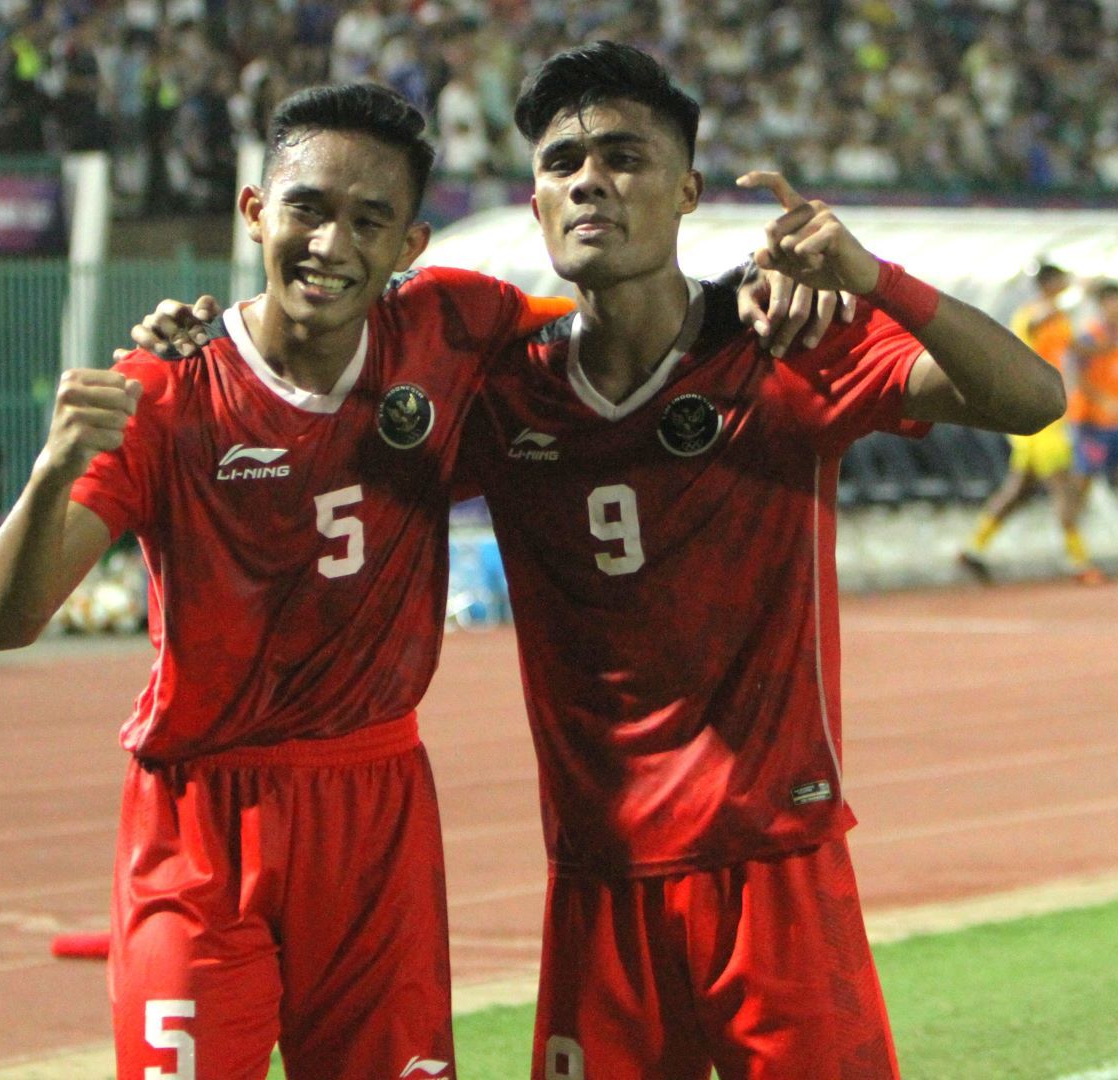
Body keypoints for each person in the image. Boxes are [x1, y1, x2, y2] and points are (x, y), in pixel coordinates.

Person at [151, 43, 1062, 1080]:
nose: (588, 179)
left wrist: (872, 278)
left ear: (687, 192)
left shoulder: (779, 348)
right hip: (601, 875)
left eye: (624, 157)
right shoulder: (499, 391)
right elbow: (306, 412)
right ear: (537, 206)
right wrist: (208, 348)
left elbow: (1031, 399)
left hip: (774, 864)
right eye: (562, 162)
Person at [0, 85, 580, 1080]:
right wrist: (51, 473)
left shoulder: (457, 327)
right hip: (199, 816)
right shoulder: (166, 388)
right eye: (307, 208)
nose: (330, 242)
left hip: (375, 811)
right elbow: (7, 616)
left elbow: (619, 334)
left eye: (368, 220)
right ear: (256, 209)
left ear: (410, 244)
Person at [958, 263, 1099, 583]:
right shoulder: (1031, 314)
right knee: (1063, 487)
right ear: (1049, 284)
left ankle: (973, 549)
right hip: (1038, 416)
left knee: (1019, 490)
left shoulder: (1059, 319)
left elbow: (1076, 349)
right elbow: (1041, 321)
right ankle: (1080, 562)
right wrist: (1078, 292)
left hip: (1048, 413)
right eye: (1061, 282)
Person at [1064, 281, 1118, 554]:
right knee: (1083, 482)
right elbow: (1076, 374)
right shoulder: (1090, 337)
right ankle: (1072, 539)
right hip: (1092, 422)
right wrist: (1103, 401)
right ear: (1102, 306)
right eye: (1113, 304)